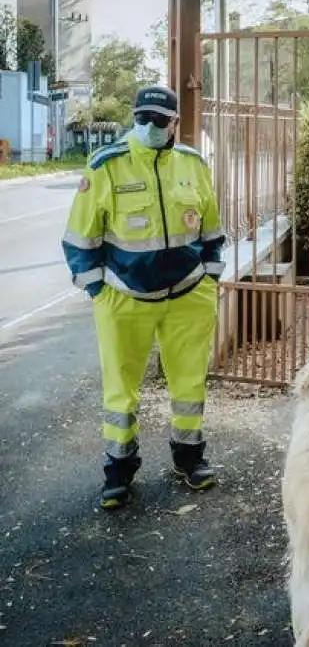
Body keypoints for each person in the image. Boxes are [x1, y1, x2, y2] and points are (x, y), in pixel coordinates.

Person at [62, 85, 225, 510]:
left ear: (176, 123)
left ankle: (189, 458)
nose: (150, 126)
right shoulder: (106, 165)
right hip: (124, 300)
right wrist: (98, 289)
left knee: (189, 384)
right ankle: (118, 471)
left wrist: (209, 278)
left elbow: (211, 232)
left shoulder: (193, 164)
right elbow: (80, 238)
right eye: (142, 118)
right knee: (120, 390)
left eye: (159, 119)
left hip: (188, 296)